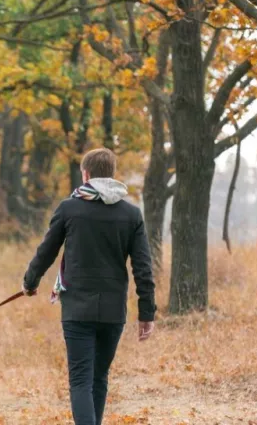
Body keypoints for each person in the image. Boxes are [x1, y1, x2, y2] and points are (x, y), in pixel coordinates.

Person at [22, 147, 156, 425]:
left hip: (77, 310)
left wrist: (30, 282)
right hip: (112, 310)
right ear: (112, 175)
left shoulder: (69, 208)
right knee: (99, 377)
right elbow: (143, 268)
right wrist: (147, 313)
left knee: (81, 380)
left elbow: (46, 251)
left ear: (86, 175)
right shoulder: (131, 215)